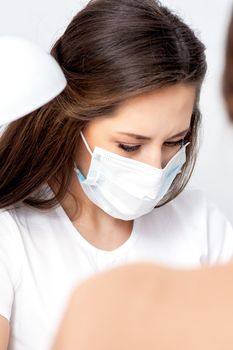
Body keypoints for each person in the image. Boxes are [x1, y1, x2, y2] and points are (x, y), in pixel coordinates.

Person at [1, 0, 233, 349]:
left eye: (174, 141)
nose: (155, 169)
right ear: (71, 124)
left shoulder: (202, 225)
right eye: (129, 146)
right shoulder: (10, 235)